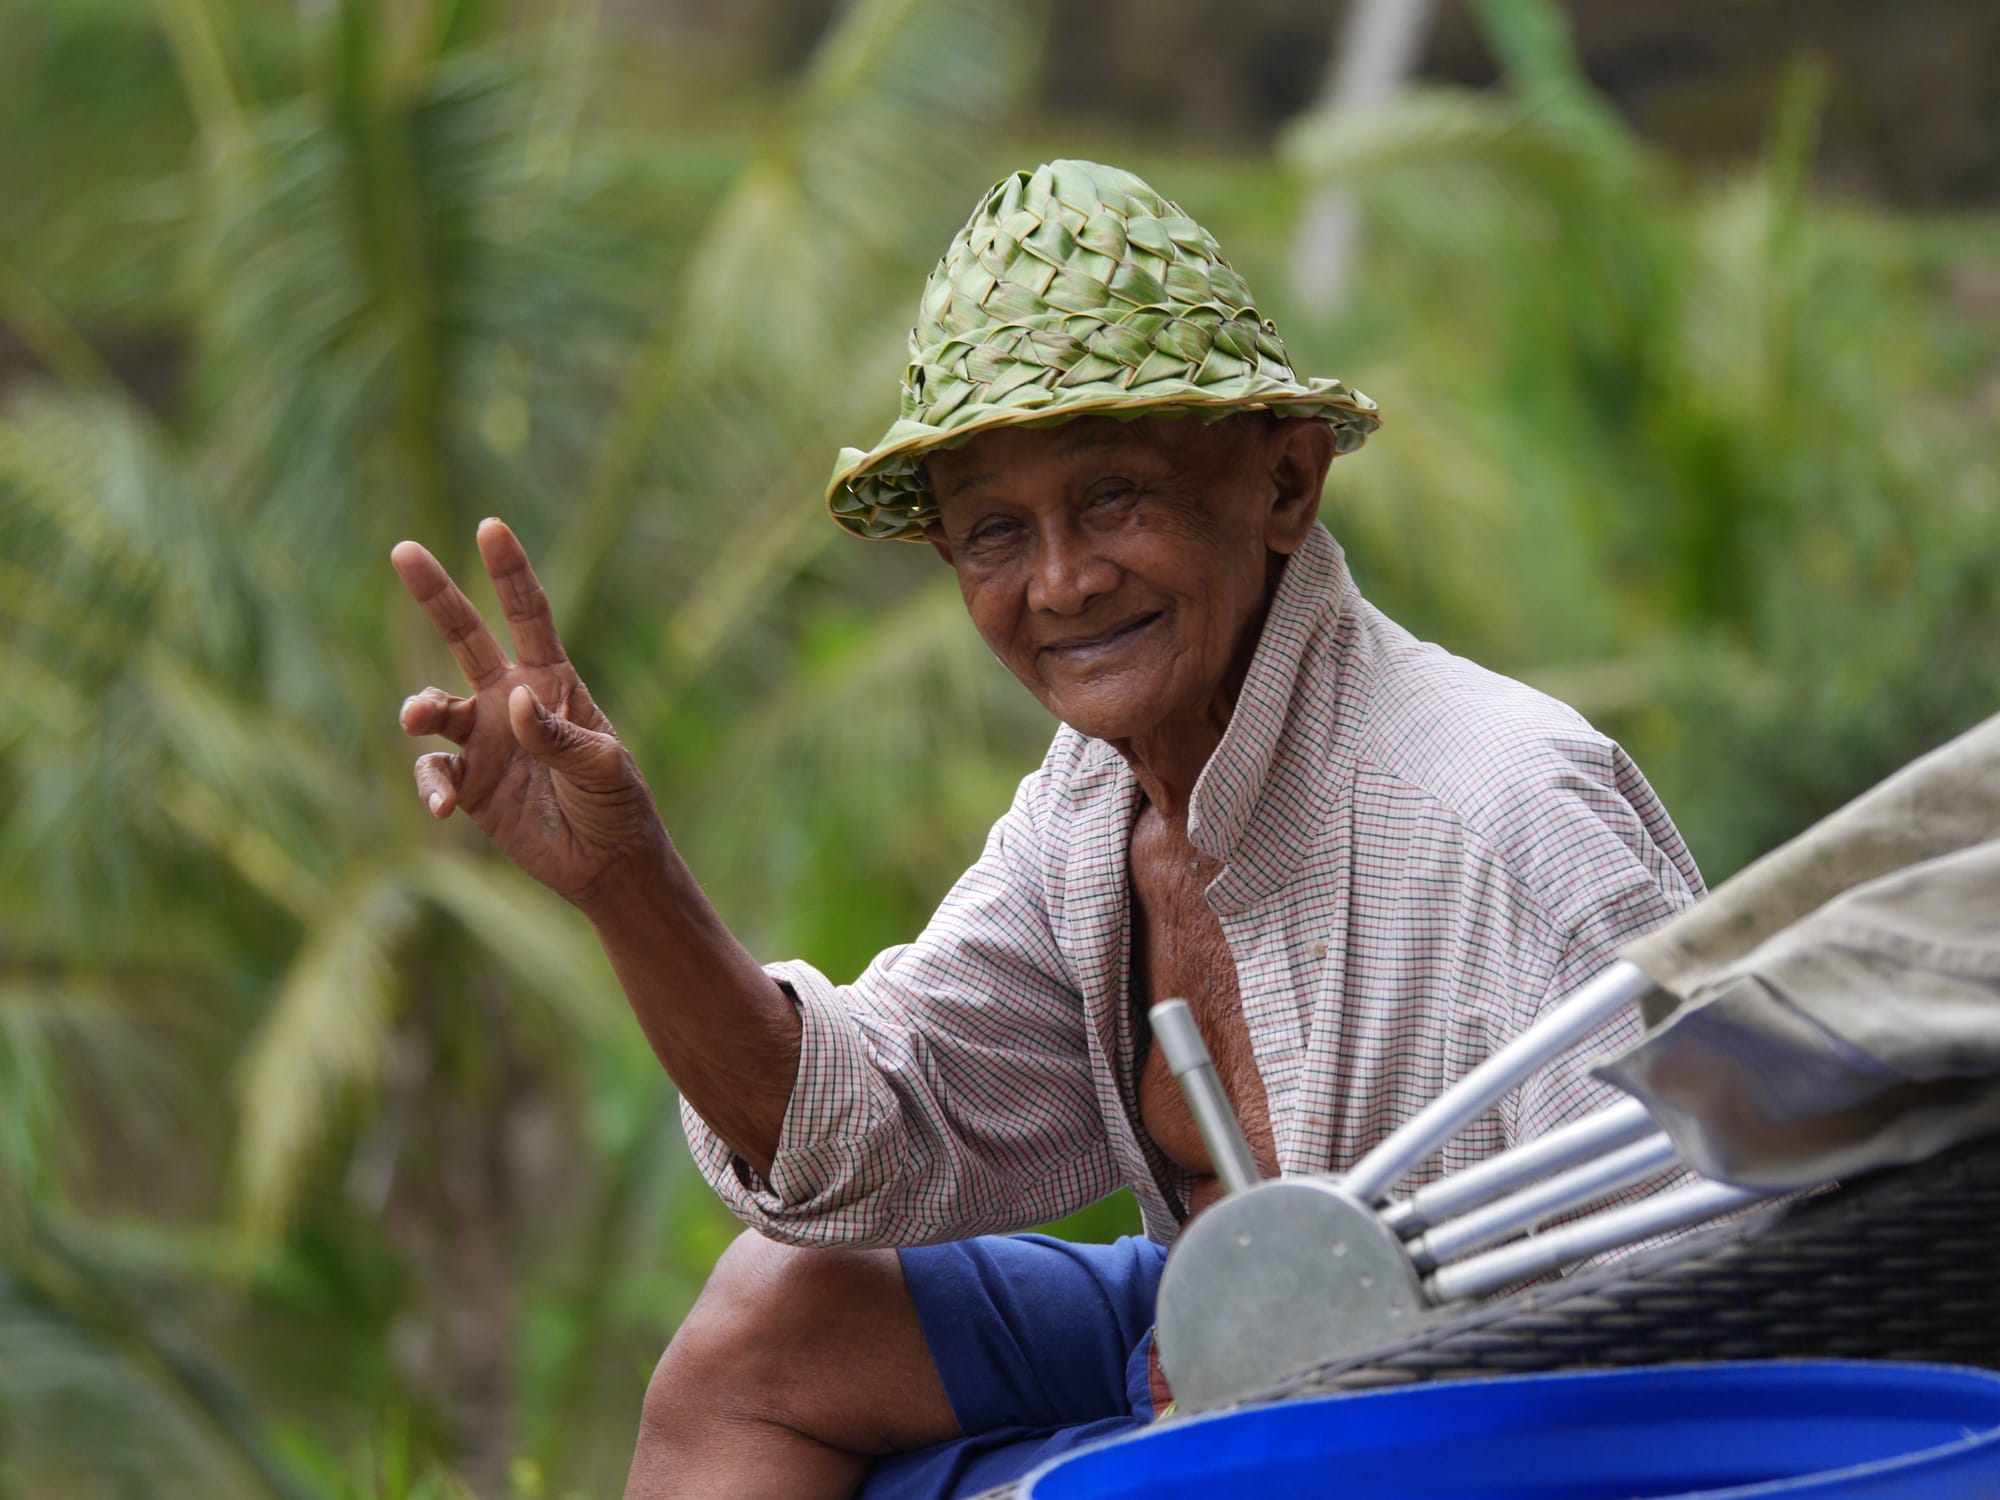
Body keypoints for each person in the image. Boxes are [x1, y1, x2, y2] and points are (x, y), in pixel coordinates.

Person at [391, 160, 1703, 1499]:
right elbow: (859, 1132)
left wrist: (1312, 1412)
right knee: (771, 1327)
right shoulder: (1095, 804)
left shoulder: (1505, 818)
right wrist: (627, 882)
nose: (1063, 583)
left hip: (1481, 1410)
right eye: (996, 534)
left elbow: (1708, 1320)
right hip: (1219, 1337)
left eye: (1116, 498)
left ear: (1286, 485)